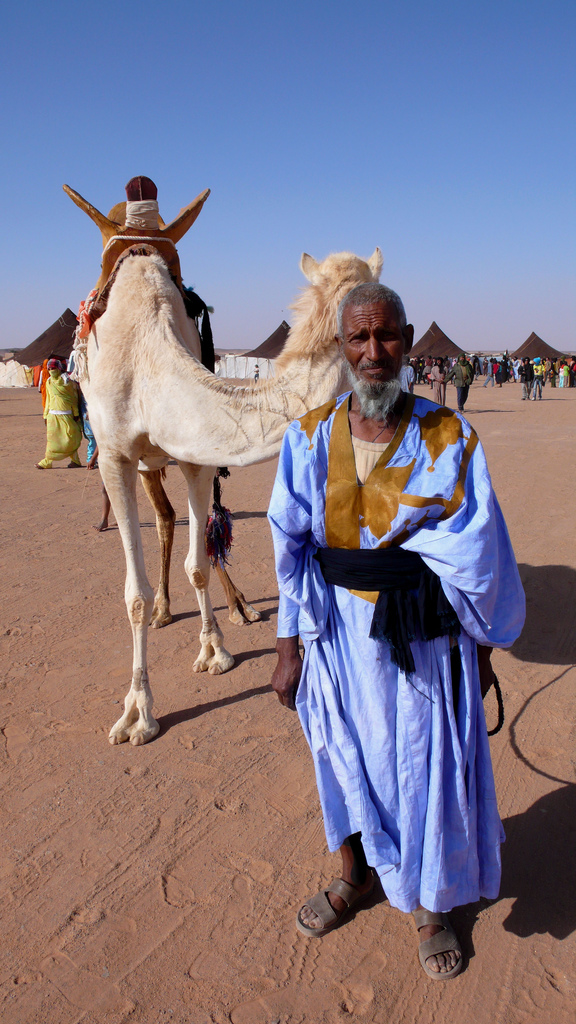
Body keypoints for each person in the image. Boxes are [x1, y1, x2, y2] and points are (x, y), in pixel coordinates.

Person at [268, 282, 525, 981]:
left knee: (423, 766)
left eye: (386, 337)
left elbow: (480, 552)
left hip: (423, 633)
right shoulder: (310, 435)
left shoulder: (451, 437)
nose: (373, 352)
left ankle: (430, 902)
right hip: (336, 635)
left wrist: (477, 641)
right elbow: (289, 542)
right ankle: (355, 875)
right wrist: (288, 645)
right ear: (342, 348)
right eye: (359, 339)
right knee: (341, 754)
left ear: (408, 343)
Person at [36, 359, 82, 469]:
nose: (51, 371)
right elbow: (48, 399)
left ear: (59, 368)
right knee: (52, 440)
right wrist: (45, 415)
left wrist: (76, 413)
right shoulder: (49, 382)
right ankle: (47, 461)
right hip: (52, 414)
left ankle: (75, 460)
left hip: (67, 414)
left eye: (53, 368)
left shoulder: (68, 382)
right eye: (49, 369)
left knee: (69, 438)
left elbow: (73, 399)